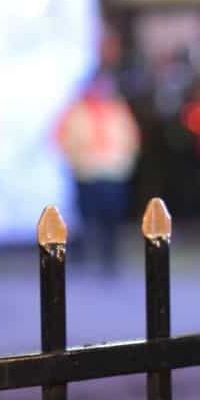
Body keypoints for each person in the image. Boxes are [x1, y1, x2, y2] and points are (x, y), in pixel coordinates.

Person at [54, 70, 140, 274]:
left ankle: (109, 259)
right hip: (86, 172)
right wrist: (74, 160)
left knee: (111, 219)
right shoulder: (77, 111)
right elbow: (61, 136)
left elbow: (131, 138)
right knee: (86, 218)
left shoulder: (118, 110)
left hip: (113, 173)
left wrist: (124, 162)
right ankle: (83, 258)